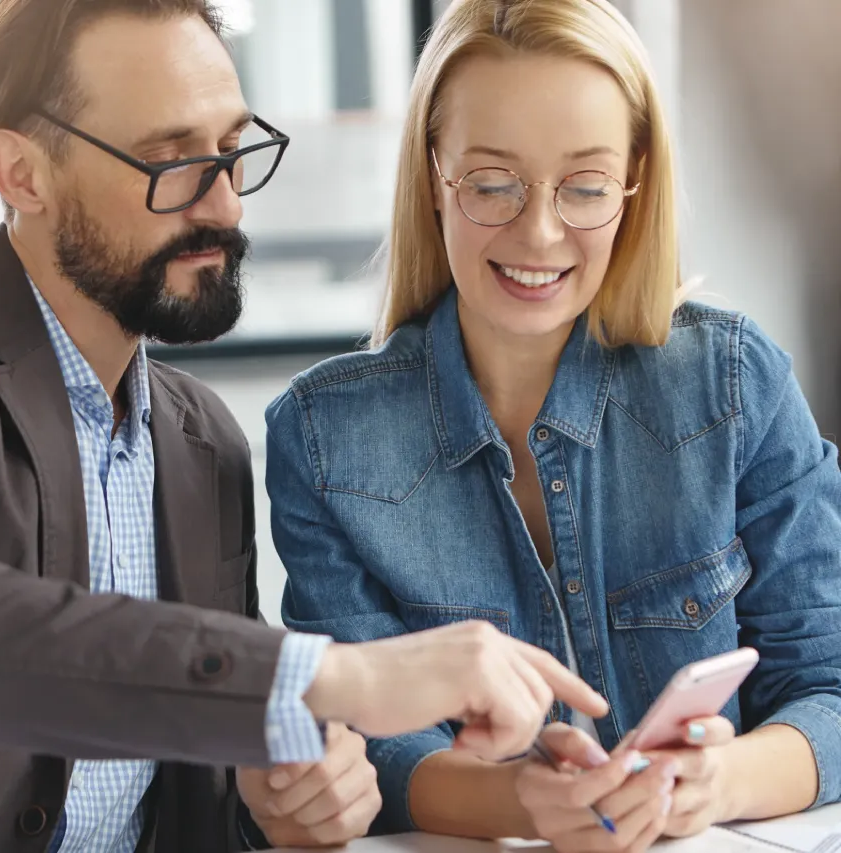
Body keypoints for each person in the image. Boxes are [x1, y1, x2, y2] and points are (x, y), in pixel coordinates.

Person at [0, 1, 608, 852]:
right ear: (23, 172)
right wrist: (337, 676)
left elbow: (181, 749)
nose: (224, 203)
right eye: (173, 162)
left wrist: (274, 798)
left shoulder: (200, 440)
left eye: (231, 150)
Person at [265, 0, 841, 850]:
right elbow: (374, 748)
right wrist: (531, 806)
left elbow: (829, 683)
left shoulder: (733, 383)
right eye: (493, 183)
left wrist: (710, 782)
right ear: (434, 175)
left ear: (634, 185)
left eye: (585, 186)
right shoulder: (321, 438)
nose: (539, 232)